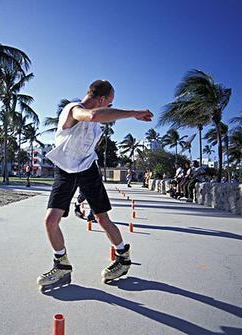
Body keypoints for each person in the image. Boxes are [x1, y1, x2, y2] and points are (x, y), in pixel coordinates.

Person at [36, 80, 153, 291]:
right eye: (109, 103)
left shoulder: (97, 123)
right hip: (65, 169)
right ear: (100, 99)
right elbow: (92, 115)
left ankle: (123, 258)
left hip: (88, 168)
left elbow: (96, 120)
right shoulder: (73, 110)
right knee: (50, 221)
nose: (109, 107)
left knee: (102, 218)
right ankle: (61, 264)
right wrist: (134, 113)